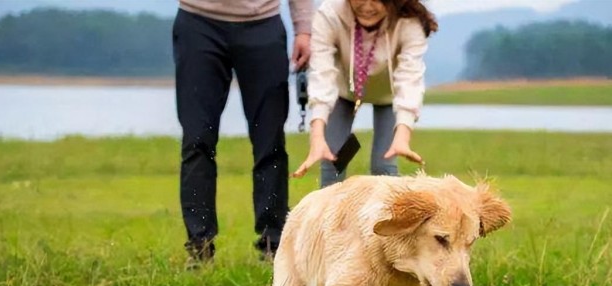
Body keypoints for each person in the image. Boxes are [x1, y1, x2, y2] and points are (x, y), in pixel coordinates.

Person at [172, 0, 313, 267]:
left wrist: (304, 29)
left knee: (269, 142)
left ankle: (273, 246)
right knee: (197, 140)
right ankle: (199, 249)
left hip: (263, 24)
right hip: (197, 23)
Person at [292, 0, 437, 187]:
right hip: (343, 91)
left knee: (383, 167)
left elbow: (410, 80)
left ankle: (385, 216)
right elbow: (322, 74)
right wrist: (317, 136)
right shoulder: (329, 14)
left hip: (389, 96)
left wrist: (402, 136)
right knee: (332, 160)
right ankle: (330, 215)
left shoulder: (409, 21)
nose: (367, 7)